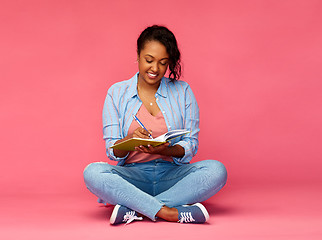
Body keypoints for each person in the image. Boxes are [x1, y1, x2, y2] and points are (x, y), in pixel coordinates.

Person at [83, 25, 227, 225]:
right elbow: (111, 151)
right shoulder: (116, 93)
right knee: (93, 172)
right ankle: (170, 212)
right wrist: (130, 141)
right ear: (138, 55)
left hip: (172, 175)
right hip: (133, 176)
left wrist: (167, 150)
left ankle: (136, 209)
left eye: (163, 63)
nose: (155, 69)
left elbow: (191, 144)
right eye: (149, 60)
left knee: (216, 170)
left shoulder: (183, 91)